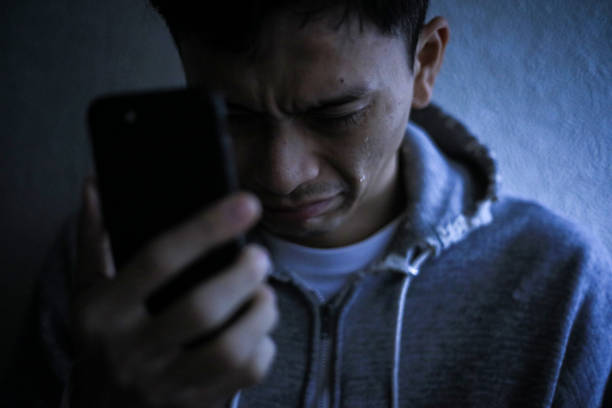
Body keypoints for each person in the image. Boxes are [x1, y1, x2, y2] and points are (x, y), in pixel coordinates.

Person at [25, 0, 612, 407]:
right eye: (234, 115)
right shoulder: (111, 272)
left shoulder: (560, 285)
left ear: (425, 64)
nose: (282, 176)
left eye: (336, 113)